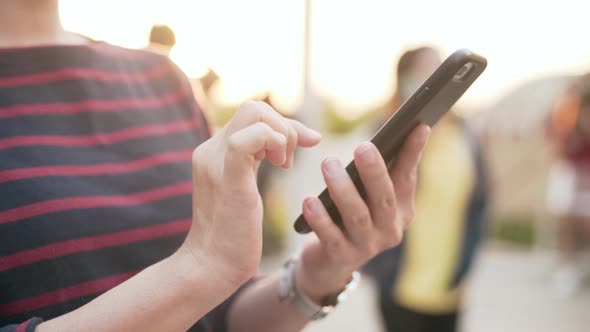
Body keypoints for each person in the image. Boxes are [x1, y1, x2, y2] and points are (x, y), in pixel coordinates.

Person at [0, 1, 430, 331]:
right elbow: (203, 275)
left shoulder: (159, 78)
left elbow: (219, 316)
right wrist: (199, 268)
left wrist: (318, 273)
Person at [364, 46, 489, 332]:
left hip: (449, 286)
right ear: (405, 78)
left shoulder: (465, 134)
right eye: (425, 69)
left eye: (440, 66)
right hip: (400, 285)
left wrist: (466, 264)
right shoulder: (389, 132)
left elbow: (480, 202)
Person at [545, 72, 590, 297]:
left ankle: (574, 265)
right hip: (572, 172)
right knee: (567, 221)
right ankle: (567, 268)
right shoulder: (567, 108)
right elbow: (558, 142)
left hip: (584, 171)